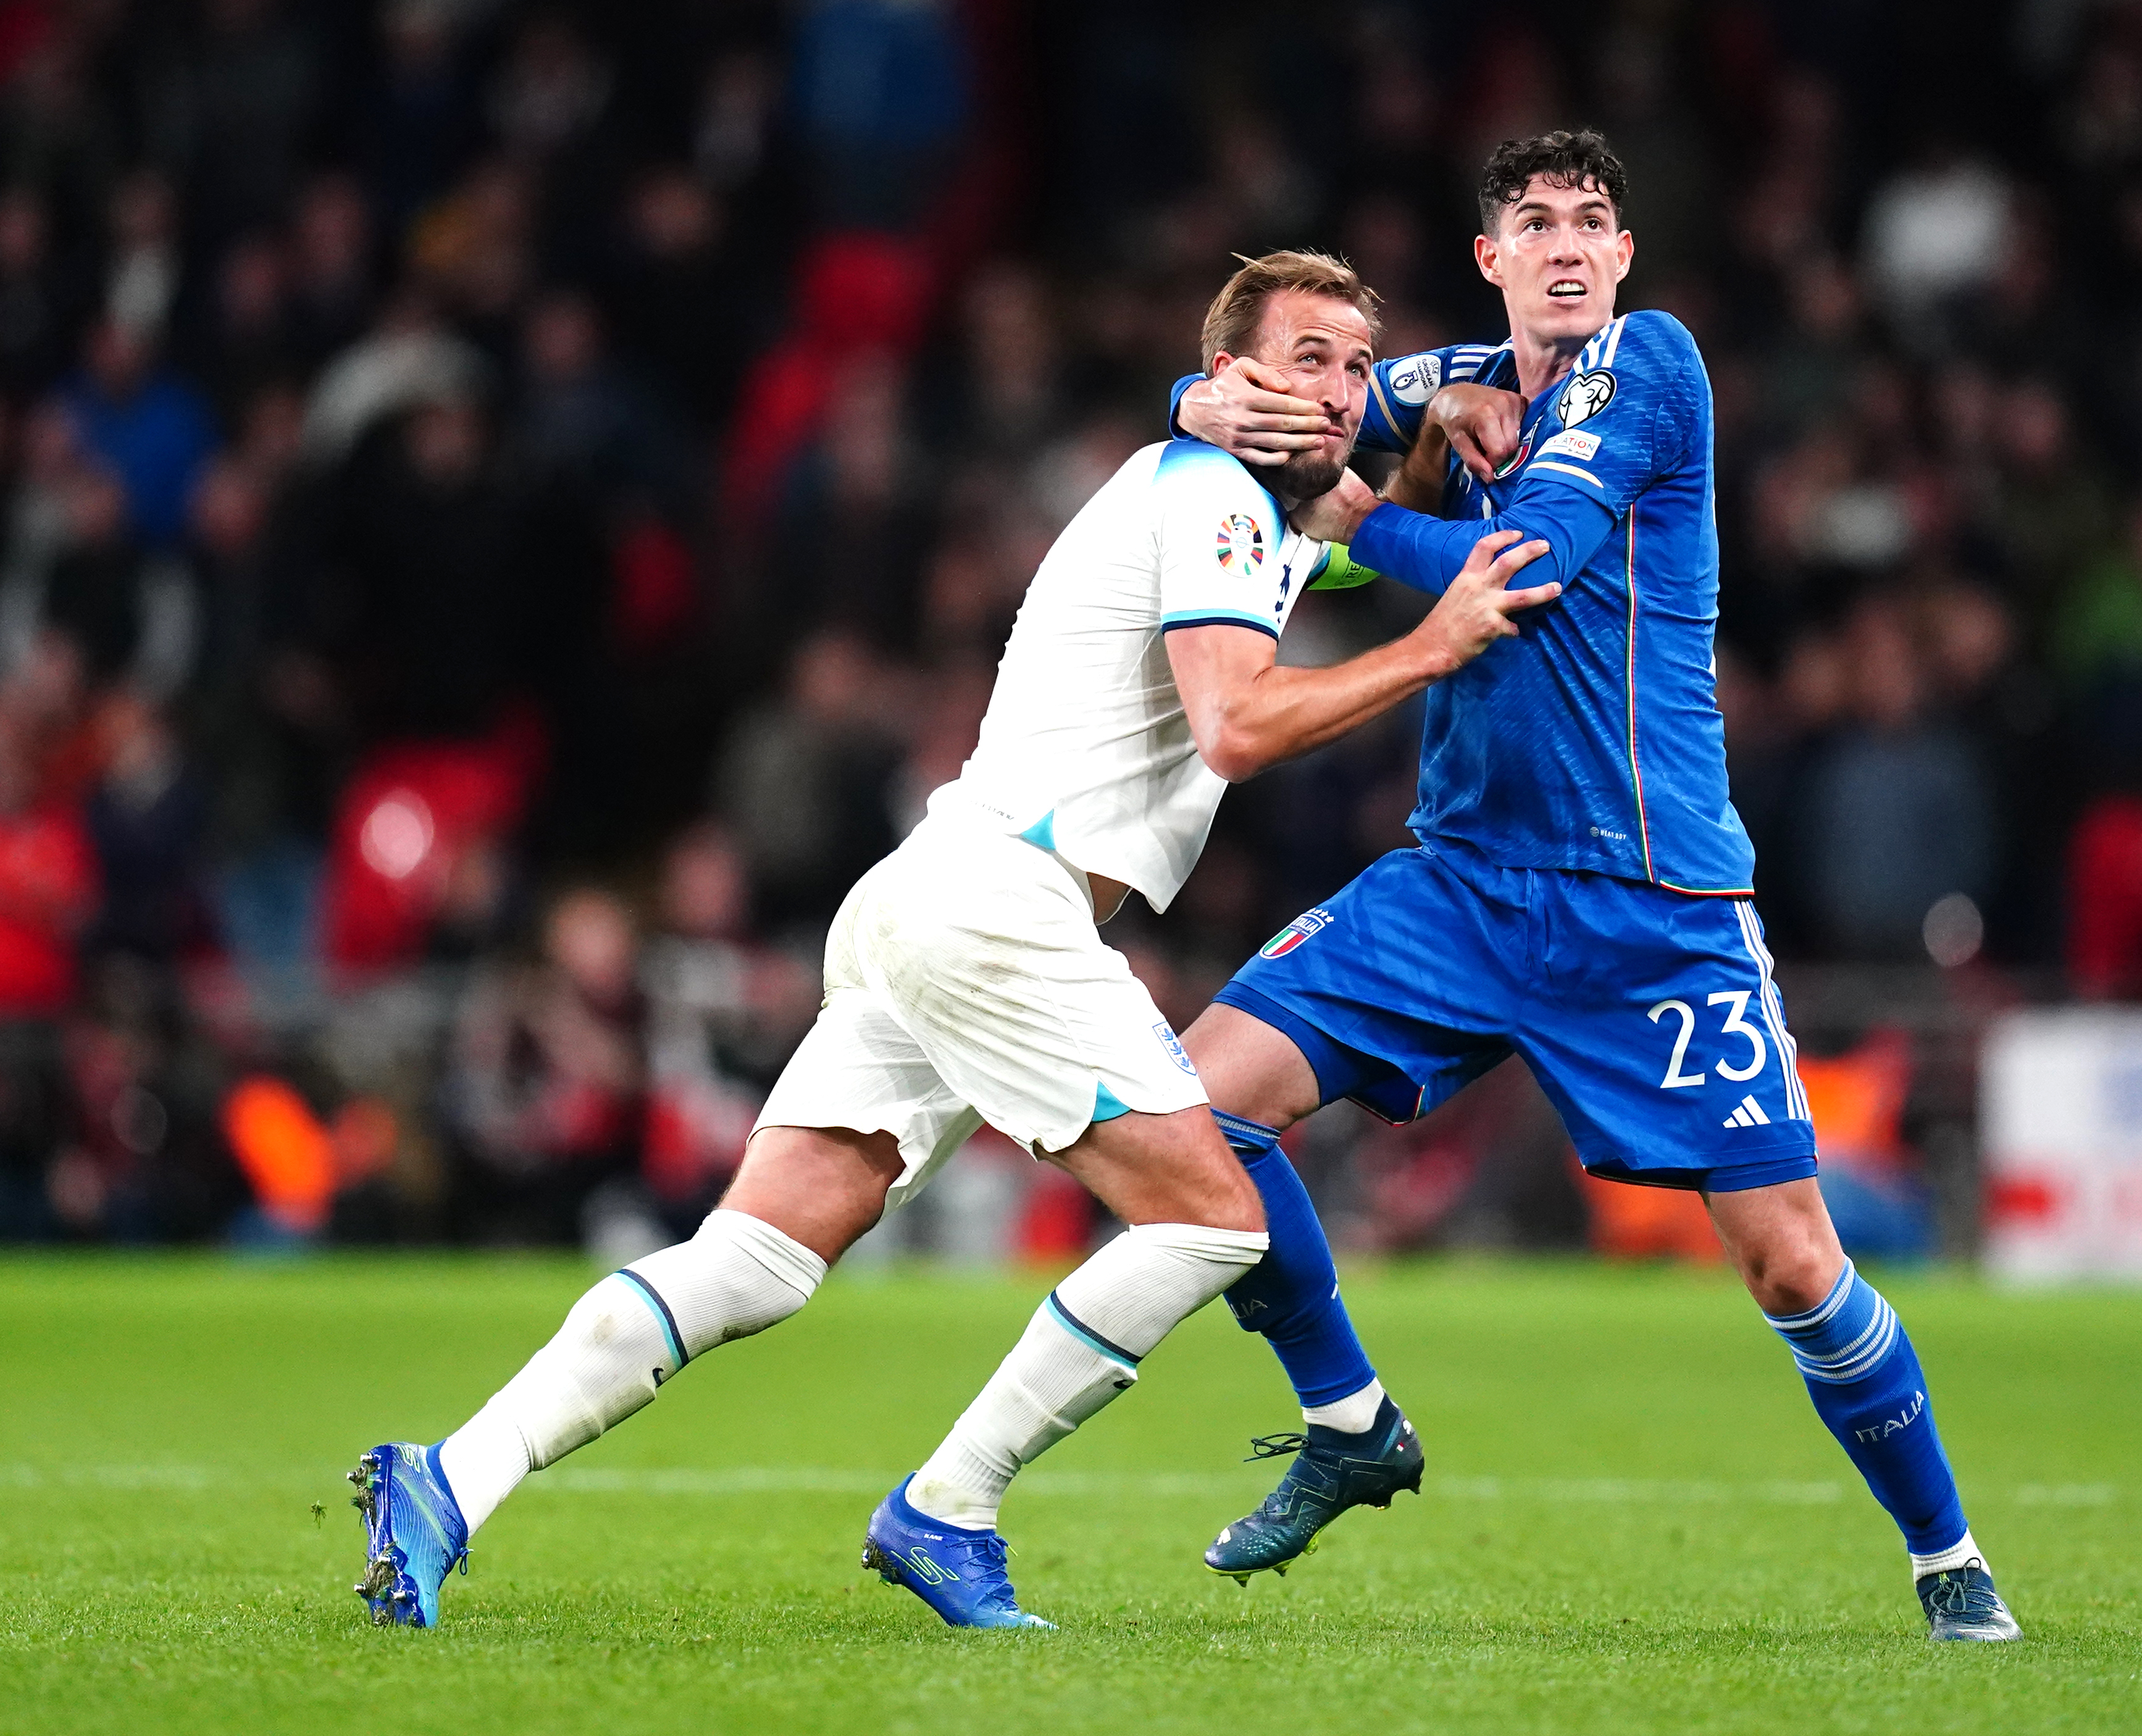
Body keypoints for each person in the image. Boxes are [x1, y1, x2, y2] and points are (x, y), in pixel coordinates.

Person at [345, 250, 1557, 1630]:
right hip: (1003, 909)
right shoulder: (1213, 493)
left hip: (939, 892)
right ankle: (949, 1504)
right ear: (1234, 382)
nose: (1341, 393)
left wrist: (1437, 407)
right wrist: (1432, 645)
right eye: (1309, 359)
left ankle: (448, 1475)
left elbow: (1360, 508)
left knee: (755, 1257)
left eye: (1356, 366)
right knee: (1213, 1213)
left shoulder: (1243, 505)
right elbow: (1236, 722)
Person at [1165, 131, 2020, 1642]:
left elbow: (1530, 558)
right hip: (1465, 881)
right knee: (1193, 1108)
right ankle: (1351, 1416)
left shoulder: (1655, 365)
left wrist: (1353, 514)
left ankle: (1948, 1557)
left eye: (1595, 222)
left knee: (1794, 1264)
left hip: (1653, 903)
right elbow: (1287, 397)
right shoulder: (1449, 378)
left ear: (1623, 258)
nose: (1570, 245)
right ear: (1491, 259)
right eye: (1537, 223)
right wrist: (1201, 397)